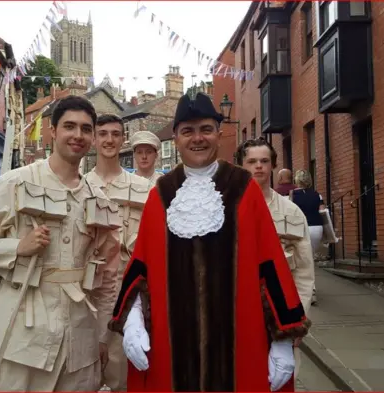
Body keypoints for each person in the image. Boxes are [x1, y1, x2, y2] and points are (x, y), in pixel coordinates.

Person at [108, 93, 311, 392]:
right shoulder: (160, 194)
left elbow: (272, 265)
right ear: (175, 138)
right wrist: (133, 319)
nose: (197, 138)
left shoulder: (245, 188)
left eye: (205, 129)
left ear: (218, 133)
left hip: (239, 342)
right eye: (187, 131)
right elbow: (142, 265)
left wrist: (282, 339)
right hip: (172, 345)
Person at [0, 96, 121, 391]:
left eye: (86, 129)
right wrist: (16, 247)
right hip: (23, 336)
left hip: (79, 341)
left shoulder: (98, 199)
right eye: (69, 126)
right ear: (53, 131)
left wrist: (102, 336)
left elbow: (108, 280)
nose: (78, 135)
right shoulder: (16, 182)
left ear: (93, 137)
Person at [236, 137, 315, 378]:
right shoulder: (225, 209)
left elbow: (304, 272)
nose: (258, 166)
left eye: (264, 161)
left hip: (279, 316)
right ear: (241, 166)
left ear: (272, 166)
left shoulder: (291, 212)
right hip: (237, 316)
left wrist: (297, 321)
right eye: (251, 161)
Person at [85, 114, 150, 392]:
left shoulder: (144, 189)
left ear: (123, 139)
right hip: (85, 297)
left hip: (128, 298)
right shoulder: (79, 186)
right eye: (102, 134)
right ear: (93, 139)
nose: (109, 140)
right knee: (80, 381)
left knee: (124, 381)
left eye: (114, 134)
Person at [290, 169, 325, 305]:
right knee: (310, 258)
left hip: (302, 228)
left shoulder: (293, 195)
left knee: (303, 260)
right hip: (317, 228)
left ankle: (311, 291)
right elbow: (322, 211)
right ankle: (310, 289)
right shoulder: (317, 194)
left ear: (297, 180)